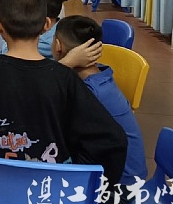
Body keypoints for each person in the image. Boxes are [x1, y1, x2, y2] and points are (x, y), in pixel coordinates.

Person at [0, 0, 127, 196]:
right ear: (47, 25)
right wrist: (81, 182)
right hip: (53, 194)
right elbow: (112, 139)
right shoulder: (64, 77)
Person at [53, 16, 148, 187]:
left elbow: (40, 92)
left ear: (58, 46)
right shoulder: (99, 75)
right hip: (124, 173)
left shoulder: (90, 92)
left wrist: (65, 63)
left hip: (119, 185)